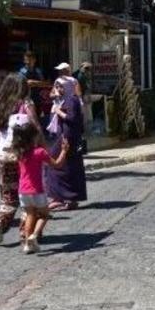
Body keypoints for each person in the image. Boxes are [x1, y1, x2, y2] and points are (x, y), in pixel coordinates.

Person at [0, 74, 42, 242]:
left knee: (9, 197)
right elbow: (36, 128)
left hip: (4, 155)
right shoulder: (26, 103)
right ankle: (25, 233)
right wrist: (42, 149)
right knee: (28, 195)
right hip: (24, 156)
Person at [11, 122, 69, 253]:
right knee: (44, 214)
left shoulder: (19, 153)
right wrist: (64, 150)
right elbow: (58, 164)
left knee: (30, 215)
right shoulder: (39, 152)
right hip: (37, 190)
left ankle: (27, 244)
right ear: (33, 137)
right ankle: (34, 235)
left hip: (23, 191)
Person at [45, 79, 87, 211]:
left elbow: (72, 118)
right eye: (56, 85)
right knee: (69, 167)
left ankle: (58, 198)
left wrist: (58, 111)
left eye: (60, 86)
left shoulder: (72, 100)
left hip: (68, 138)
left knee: (54, 164)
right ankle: (71, 198)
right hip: (64, 137)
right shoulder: (63, 99)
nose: (57, 88)